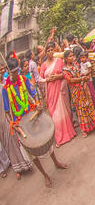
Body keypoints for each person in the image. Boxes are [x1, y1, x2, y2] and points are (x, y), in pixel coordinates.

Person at [3, 57, 68, 188]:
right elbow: (6, 112)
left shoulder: (23, 79)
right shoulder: (5, 89)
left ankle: (56, 162)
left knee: (46, 141)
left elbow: (33, 93)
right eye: (12, 72)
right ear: (8, 72)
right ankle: (45, 175)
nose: (15, 74)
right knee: (31, 152)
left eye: (17, 71)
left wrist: (38, 104)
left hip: (32, 114)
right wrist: (13, 124)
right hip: (20, 123)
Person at [40, 42, 76, 148]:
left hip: (61, 90)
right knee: (54, 114)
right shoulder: (43, 65)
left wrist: (58, 77)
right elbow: (40, 79)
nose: (50, 52)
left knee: (64, 110)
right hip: (51, 92)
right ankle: (59, 138)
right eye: (48, 50)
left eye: (52, 50)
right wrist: (48, 79)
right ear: (45, 53)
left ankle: (69, 133)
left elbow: (66, 73)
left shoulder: (59, 61)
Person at [63, 50, 95, 138]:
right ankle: (84, 130)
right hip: (76, 91)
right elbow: (70, 80)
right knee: (81, 109)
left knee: (89, 106)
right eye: (70, 56)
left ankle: (94, 125)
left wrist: (85, 76)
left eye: (72, 55)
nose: (72, 57)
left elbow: (82, 73)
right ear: (65, 59)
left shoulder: (77, 65)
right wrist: (82, 78)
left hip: (84, 88)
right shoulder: (65, 70)